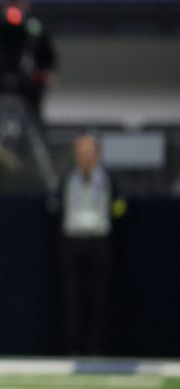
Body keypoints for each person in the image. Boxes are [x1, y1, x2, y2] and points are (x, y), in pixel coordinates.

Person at [57, 134, 124, 355]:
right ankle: (73, 346)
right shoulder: (67, 177)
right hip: (73, 242)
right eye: (81, 152)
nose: (84, 157)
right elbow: (56, 204)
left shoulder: (107, 178)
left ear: (96, 154)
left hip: (98, 242)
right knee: (71, 296)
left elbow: (119, 206)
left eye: (88, 152)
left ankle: (96, 346)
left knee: (99, 296)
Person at [0, 0, 57, 126]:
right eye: (12, 5)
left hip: (29, 84)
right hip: (2, 84)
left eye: (19, 5)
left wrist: (46, 71)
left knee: (33, 120)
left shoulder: (34, 28)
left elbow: (47, 55)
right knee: (1, 118)